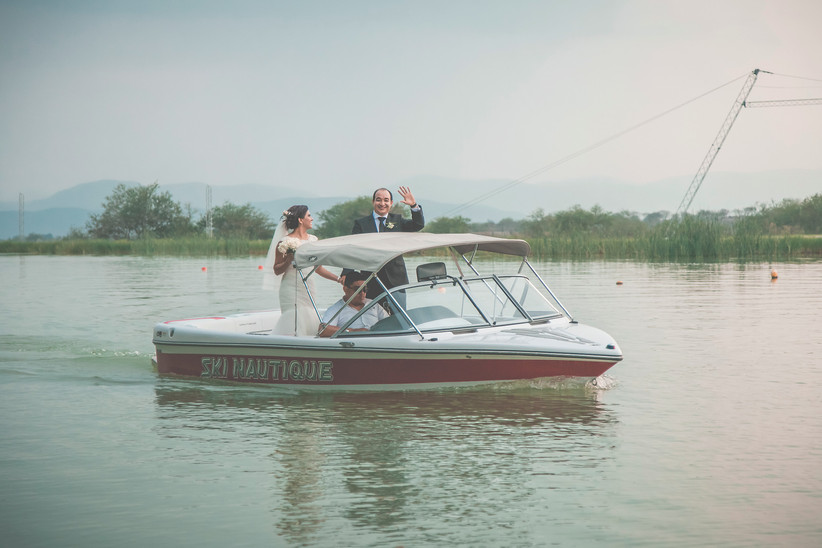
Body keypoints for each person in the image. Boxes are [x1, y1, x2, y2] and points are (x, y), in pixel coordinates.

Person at [263, 205, 341, 336]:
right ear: (300, 220)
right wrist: (288, 259)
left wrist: (338, 279)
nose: (312, 218)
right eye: (309, 216)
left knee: (309, 317)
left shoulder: (313, 240)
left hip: (308, 286)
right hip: (290, 288)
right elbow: (276, 270)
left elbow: (318, 268)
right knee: (293, 320)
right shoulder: (284, 242)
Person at [346, 186, 424, 308]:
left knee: (399, 317)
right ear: (373, 202)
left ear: (391, 203)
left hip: (396, 282)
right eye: (378, 200)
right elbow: (352, 249)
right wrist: (346, 272)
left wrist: (413, 205)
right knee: (372, 318)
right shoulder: (361, 224)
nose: (382, 203)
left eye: (386, 200)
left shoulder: (397, 220)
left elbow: (418, 225)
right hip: (371, 280)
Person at [318, 271, 389, 337]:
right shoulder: (336, 309)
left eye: (365, 289)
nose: (362, 293)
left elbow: (390, 323)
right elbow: (323, 330)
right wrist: (353, 331)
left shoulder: (374, 304)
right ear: (345, 289)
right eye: (358, 290)